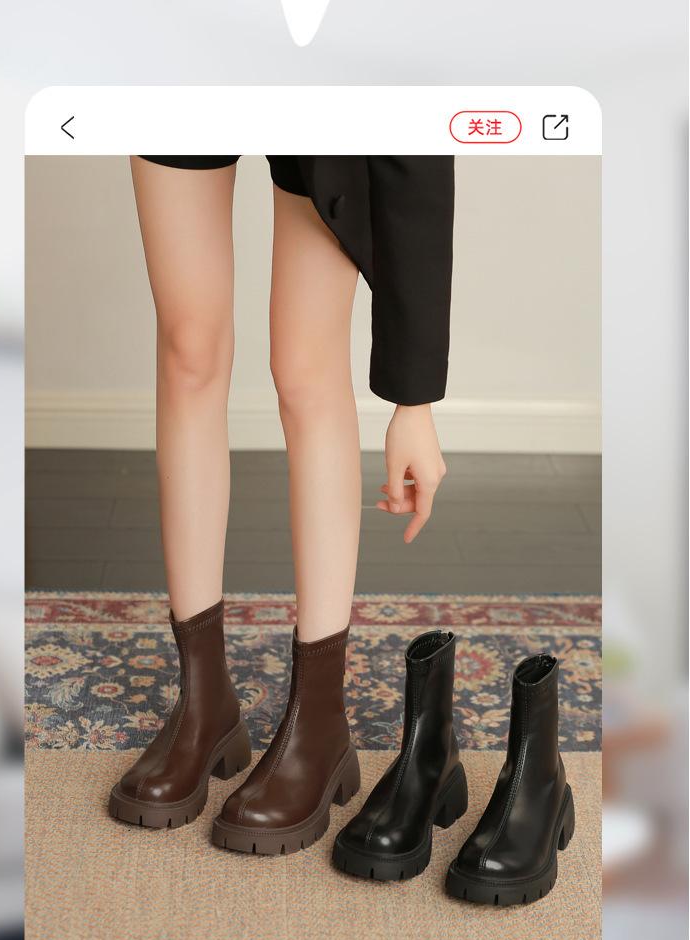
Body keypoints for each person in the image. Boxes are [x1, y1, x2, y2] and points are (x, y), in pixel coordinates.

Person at [108, 155, 455, 857]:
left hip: (320, 98)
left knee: (306, 370)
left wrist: (413, 404)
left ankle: (319, 727)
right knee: (188, 348)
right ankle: (204, 704)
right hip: (188, 82)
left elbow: (415, 141)